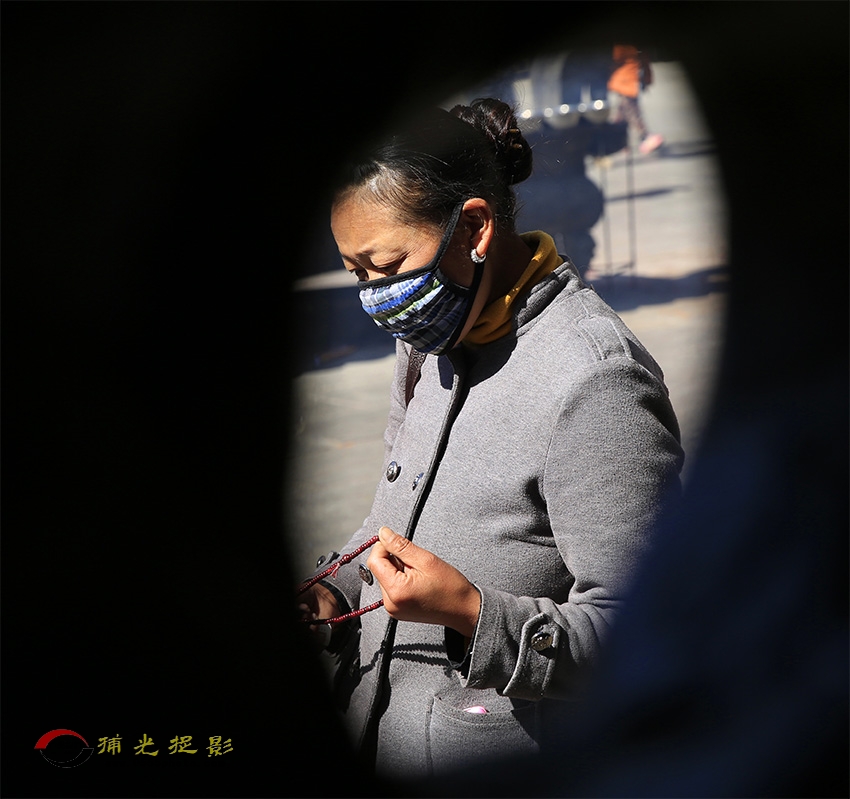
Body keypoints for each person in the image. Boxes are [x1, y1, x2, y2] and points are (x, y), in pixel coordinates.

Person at [296, 98, 684, 781]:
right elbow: (392, 524)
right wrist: (338, 588)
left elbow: (652, 632)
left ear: (474, 226)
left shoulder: (596, 380)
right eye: (357, 273)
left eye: (387, 265)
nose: (377, 298)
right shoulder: (433, 336)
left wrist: (472, 613)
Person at [608, 44, 665, 154]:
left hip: (628, 78)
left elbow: (643, 56)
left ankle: (620, 141)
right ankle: (642, 136)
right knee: (628, 109)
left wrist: (647, 76)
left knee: (624, 110)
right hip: (624, 79)